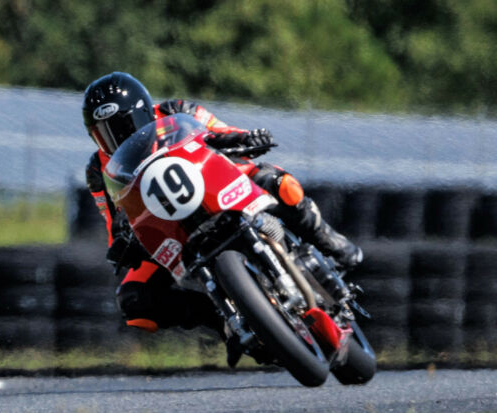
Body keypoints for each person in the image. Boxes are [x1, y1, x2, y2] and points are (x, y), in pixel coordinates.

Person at [81, 71, 362, 334]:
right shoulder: (98, 170)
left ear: (144, 112)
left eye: (124, 126)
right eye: (103, 133)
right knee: (134, 299)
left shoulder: (174, 110)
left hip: (215, 181)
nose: (117, 138)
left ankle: (333, 244)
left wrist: (246, 138)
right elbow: (112, 221)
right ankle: (225, 321)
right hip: (164, 226)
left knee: (279, 183)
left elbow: (220, 131)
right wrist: (120, 242)